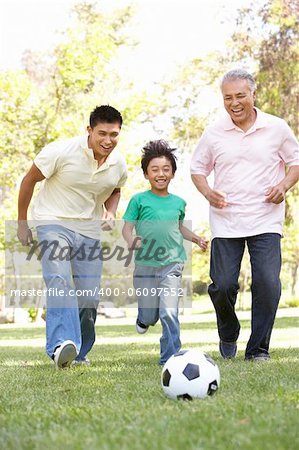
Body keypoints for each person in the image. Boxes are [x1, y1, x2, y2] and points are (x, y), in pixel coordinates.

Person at [190, 69, 299, 361]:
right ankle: (228, 331)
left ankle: (258, 349)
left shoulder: (276, 127)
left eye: (240, 95)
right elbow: (197, 169)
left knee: (268, 282)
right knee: (223, 285)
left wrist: (284, 185)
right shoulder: (214, 132)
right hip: (226, 221)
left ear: (253, 94)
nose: (234, 102)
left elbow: (295, 162)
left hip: (266, 219)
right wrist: (208, 193)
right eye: (228, 97)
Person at [17, 105, 127, 368]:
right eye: (102, 133)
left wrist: (110, 211)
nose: (108, 140)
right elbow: (28, 181)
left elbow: (115, 190)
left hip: (88, 230)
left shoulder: (118, 163)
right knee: (59, 279)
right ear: (89, 130)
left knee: (89, 297)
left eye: (114, 134)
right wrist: (22, 222)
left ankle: (79, 352)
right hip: (52, 222)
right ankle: (59, 345)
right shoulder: (60, 151)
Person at [122, 140, 208, 365]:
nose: (160, 174)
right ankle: (143, 318)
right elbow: (127, 228)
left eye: (166, 169)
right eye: (155, 169)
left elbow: (179, 227)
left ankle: (170, 358)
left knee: (169, 312)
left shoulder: (179, 202)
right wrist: (132, 241)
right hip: (145, 265)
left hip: (172, 263)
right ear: (146, 174)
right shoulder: (138, 200)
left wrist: (197, 238)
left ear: (172, 173)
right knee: (151, 315)